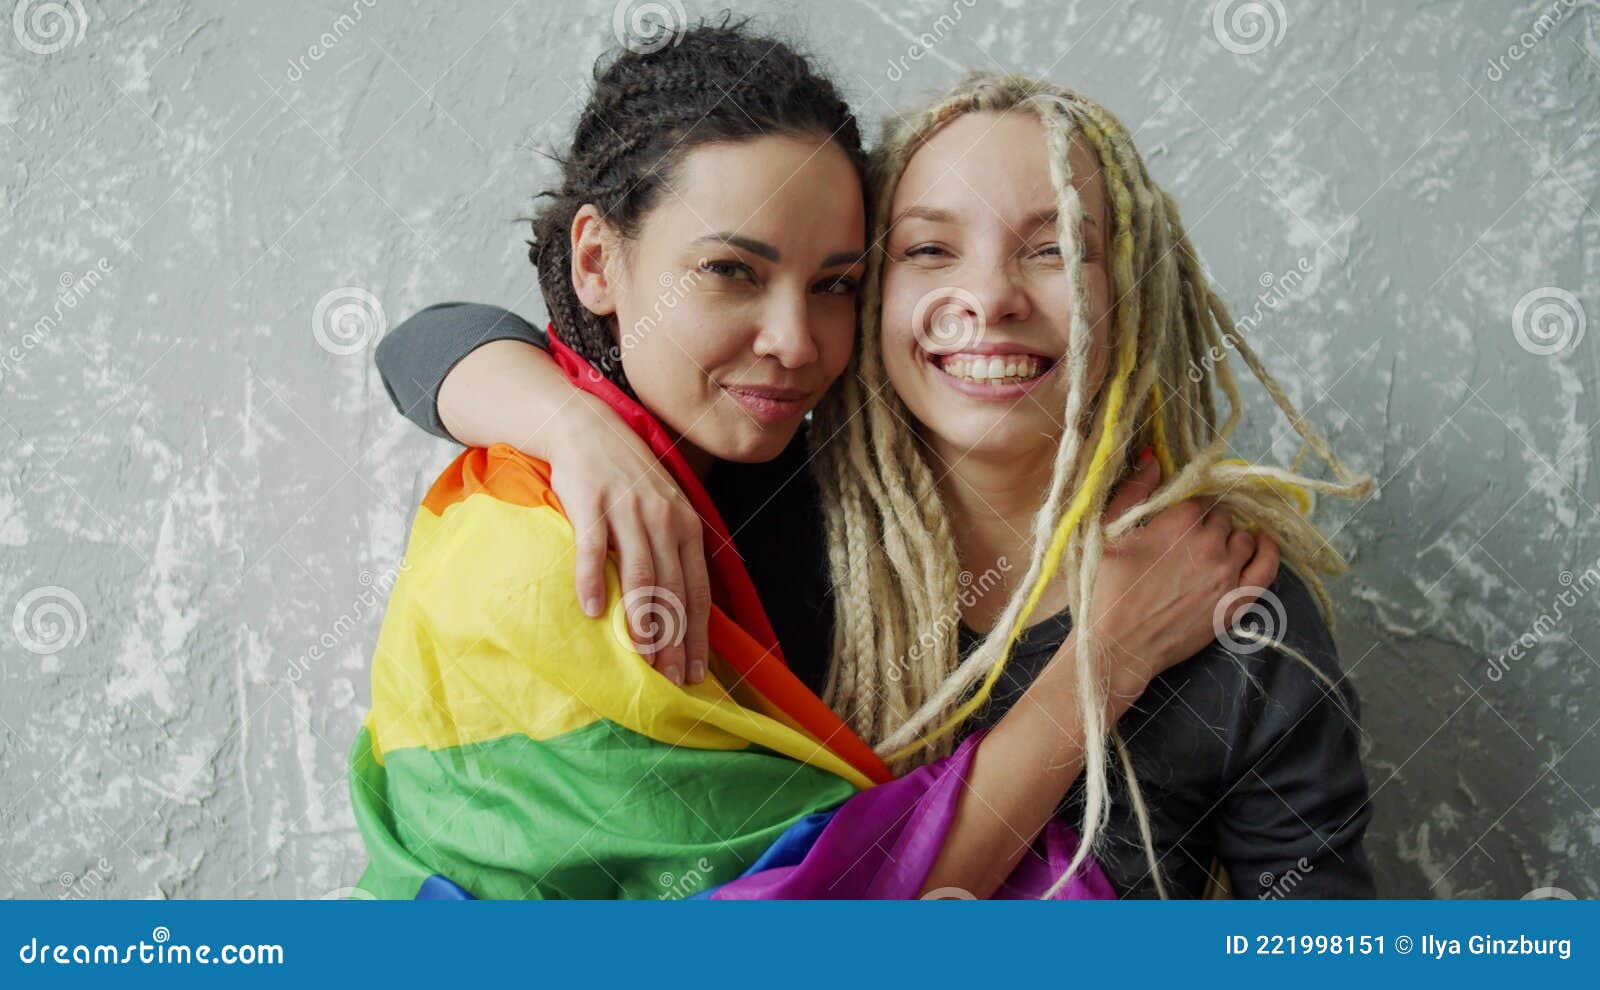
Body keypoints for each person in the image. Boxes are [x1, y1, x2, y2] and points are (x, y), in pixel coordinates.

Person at [369, 59, 1377, 897]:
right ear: (881, 286)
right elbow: (427, 346)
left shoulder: (1226, 593)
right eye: (931, 249)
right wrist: (574, 426)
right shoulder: (721, 514)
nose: (987, 298)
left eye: (1055, 251)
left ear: (1135, 289)